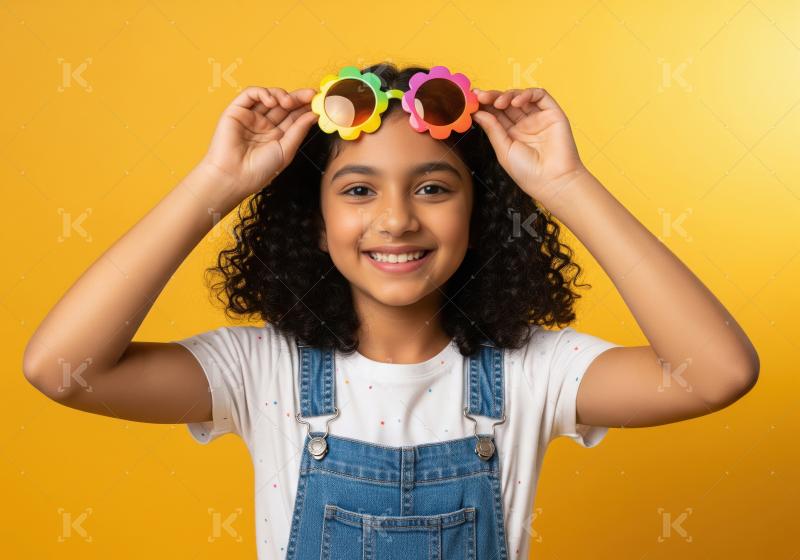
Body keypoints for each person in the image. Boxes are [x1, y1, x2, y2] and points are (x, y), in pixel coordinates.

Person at [23, 62, 759, 559]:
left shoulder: (532, 371)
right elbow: (61, 369)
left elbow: (717, 373)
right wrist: (217, 180)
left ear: (481, 215)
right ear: (314, 223)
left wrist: (565, 183)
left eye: (433, 188)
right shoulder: (260, 369)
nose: (398, 219)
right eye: (358, 190)